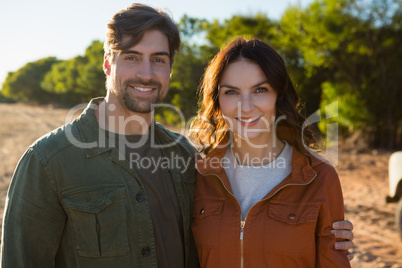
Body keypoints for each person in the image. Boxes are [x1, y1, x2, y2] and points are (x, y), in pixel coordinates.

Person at [1, 4, 353, 268]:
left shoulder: (189, 159)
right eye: (131, 56)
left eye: (158, 59)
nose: (145, 72)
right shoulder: (48, 162)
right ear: (108, 63)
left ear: (170, 68)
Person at [190, 37, 352, 267]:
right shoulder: (197, 176)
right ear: (217, 101)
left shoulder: (320, 178)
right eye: (231, 92)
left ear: (279, 95)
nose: (245, 107)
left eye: (260, 89)